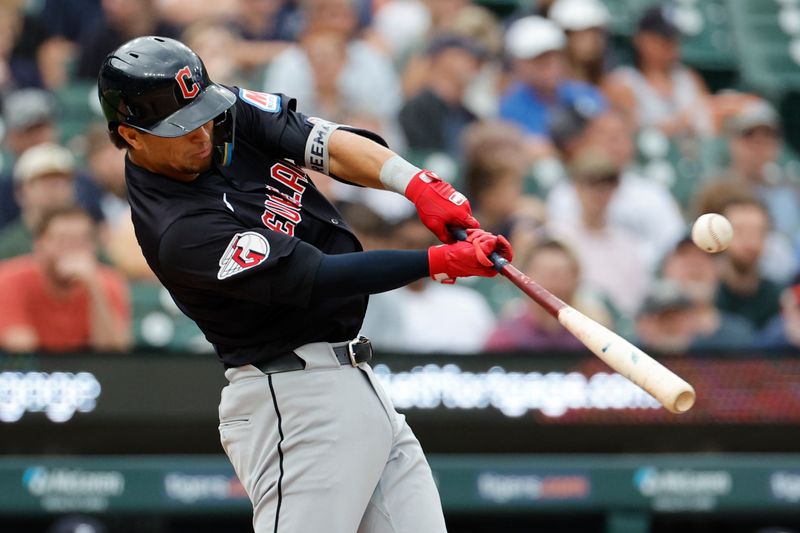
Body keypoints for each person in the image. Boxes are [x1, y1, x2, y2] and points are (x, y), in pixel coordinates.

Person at [97, 36, 511, 532]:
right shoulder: (178, 230)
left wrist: (417, 184)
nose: (202, 133)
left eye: (203, 112)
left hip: (356, 384)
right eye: (181, 127)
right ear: (132, 135)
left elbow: (320, 141)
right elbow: (318, 277)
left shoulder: (218, 112)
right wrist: (435, 261)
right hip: (292, 401)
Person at [0, 205, 130, 353]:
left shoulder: (108, 282)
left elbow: (114, 353)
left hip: (89, 372)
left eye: (82, 241)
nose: (72, 249)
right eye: (62, 240)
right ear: (39, 245)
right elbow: (20, 349)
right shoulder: (9, 279)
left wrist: (94, 286)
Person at [499, 15, 606, 156]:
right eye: (538, 59)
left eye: (554, 55)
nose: (550, 64)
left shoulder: (587, 94)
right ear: (518, 64)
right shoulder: (508, 109)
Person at [603, 5, 712, 137]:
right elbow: (627, 137)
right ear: (641, 40)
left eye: (675, 39)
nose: (671, 46)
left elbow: (710, 125)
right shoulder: (623, 82)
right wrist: (680, 124)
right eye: (664, 40)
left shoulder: (689, 78)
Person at [485, 238, 611, 352]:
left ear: (575, 278)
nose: (551, 285)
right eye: (543, 274)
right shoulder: (507, 337)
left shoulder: (593, 337)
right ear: (524, 278)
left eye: (559, 275)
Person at [398, 34, 485, 158]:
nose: (472, 66)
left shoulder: (469, 116)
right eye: (462, 56)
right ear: (443, 59)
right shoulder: (418, 109)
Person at [0, 143, 77, 259]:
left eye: (63, 182)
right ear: (20, 192)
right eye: (45, 182)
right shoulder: (8, 246)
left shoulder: (84, 239)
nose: (55, 190)